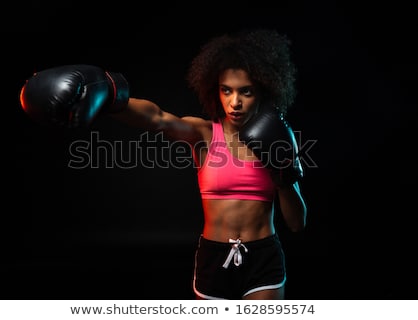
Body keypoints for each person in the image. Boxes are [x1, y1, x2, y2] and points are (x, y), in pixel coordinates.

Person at [20, 28, 307, 300]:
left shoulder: (280, 139)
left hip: (263, 257)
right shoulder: (204, 134)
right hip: (213, 256)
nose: (235, 102)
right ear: (215, 91)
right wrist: (109, 93)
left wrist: (284, 174)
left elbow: (296, 223)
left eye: (246, 91)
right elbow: (157, 118)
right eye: (226, 90)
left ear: (264, 90)